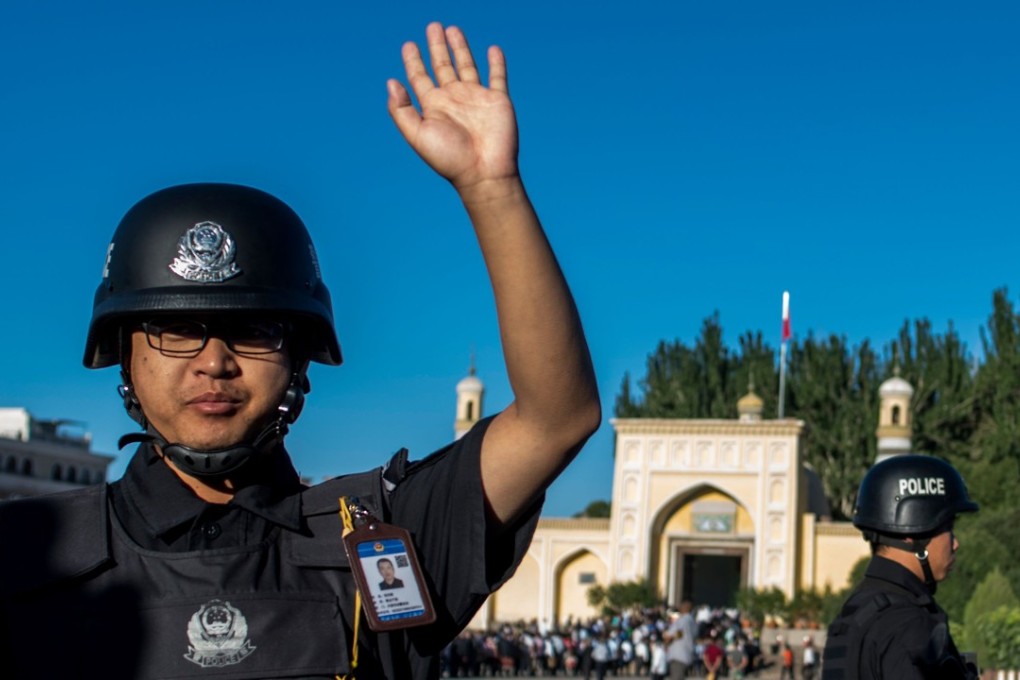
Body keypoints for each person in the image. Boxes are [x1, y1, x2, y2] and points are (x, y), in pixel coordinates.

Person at [0, 22, 600, 680]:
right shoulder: (25, 551)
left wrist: (493, 190)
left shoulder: (385, 536)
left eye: (257, 331)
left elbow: (556, 418)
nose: (214, 361)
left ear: (300, 360)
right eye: (174, 330)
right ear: (123, 356)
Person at [822, 454, 979, 679]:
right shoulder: (907, 624)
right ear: (911, 533)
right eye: (948, 527)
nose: (955, 543)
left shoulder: (853, 613)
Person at [666, 600, 697, 678]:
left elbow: (679, 633)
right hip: (686, 655)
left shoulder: (683, 620)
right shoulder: (691, 620)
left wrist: (667, 638)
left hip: (678, 656)